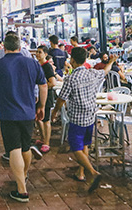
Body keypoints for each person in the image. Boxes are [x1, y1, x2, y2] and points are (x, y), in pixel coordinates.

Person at [0, 33, 47, 203]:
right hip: (28, 113)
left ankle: (22, 189)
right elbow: (44, 84)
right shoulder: (32, 63)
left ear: (4, 47)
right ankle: (23, 176)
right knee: (25, 147)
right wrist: (41, 106)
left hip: (8, 114)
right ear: (20, 47)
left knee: (14, 149)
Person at [51, 47, 110, 193]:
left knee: (75, 146)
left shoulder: (71, 78)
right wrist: (112, 61)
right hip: (91, 116)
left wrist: (54, 112)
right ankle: (81, 173)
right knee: (85, 144)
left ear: (72, 60)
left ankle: (92, 172)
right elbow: (106, 71)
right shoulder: (93, 73)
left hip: (77, 118)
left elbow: (61, 99)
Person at [34, 46, 58, 154]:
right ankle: (43, 138)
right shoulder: (37, 65)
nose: (37, 54)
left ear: (45, 54)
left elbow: (53, 82)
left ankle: (47, 143)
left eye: (40, 52)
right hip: (38, 96)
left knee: (46, 119)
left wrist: (42, 88)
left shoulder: (47, 67)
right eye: (37, 52)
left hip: (47, 97)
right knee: (38, 118)